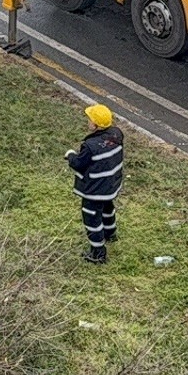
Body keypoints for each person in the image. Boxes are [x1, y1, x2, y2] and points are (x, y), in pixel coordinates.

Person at [65, 104, 123, 264]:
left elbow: (78, 163)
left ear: (96, 125)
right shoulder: (117, 134)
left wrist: (70, 155)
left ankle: (98, 253)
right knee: (107, 209)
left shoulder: (90, 147)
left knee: (92, 218)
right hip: (110, 186)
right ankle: (110, 234)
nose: (87, 122)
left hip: (94, 190)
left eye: (89, 120)